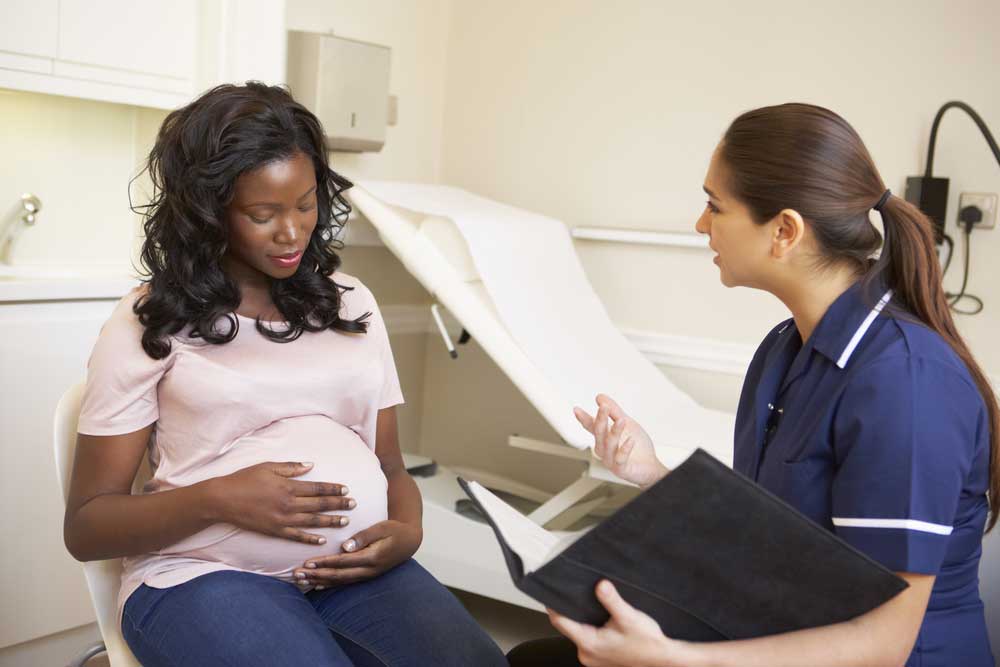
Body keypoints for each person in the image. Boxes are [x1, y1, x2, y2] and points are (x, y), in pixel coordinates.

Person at [507, 103, 996, 667]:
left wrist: (670, 659)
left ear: (784, 231)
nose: (700, 224)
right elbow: (768, 539)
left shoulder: (906, 385)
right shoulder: (784, 350)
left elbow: (883, 644)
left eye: (715, 205)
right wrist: (651, 472)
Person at [62, 82, 507, 667]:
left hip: (352, 573)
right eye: (262, 214)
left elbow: (391, 464)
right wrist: (220, 500)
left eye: (304, 204)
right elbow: (88, 526)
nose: (293, 232)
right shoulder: (152, 319)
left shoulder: (353, 305)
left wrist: (409, 526)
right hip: (199, 575)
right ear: (208, 211)